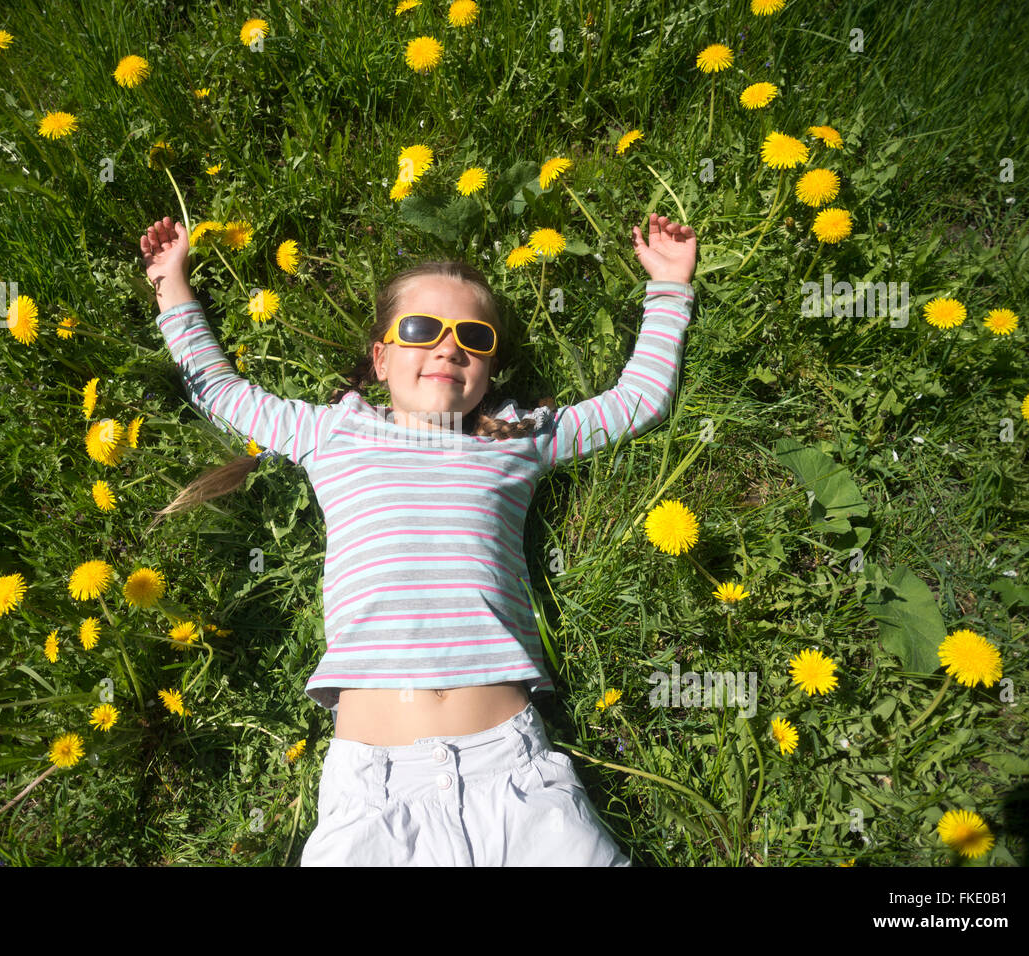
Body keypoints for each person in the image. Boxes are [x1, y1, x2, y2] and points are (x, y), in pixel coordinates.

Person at [139, 213, 697, 865]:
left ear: (488, 368)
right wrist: (171, 283)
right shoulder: (333, 433)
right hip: (373, 797)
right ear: (380, 358)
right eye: (421, 330)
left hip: (514, 776)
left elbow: (638, 402)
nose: (447, 346)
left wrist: (668, 287)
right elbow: (224, 395)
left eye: (473, 336)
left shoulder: (516, 438)